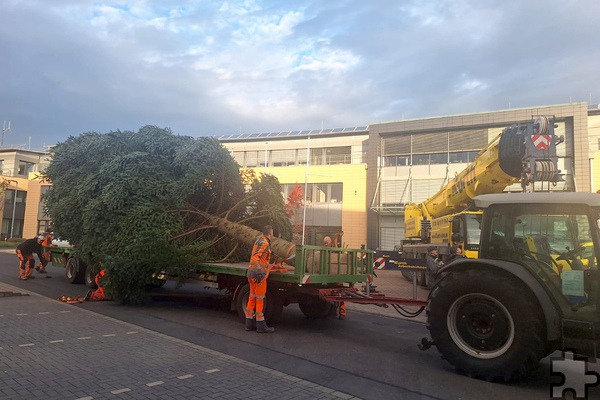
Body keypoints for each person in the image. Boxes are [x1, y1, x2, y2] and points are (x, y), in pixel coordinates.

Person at [245, 225, 275, 333]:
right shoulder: (264, 243)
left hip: (251, 274)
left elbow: (258, 256)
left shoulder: (259, 240)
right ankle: (261, 326)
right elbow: (255, 257)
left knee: (252, 298)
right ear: (270, 233)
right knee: (260, 299)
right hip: (258, 276)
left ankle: (248, 324)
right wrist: (259, 273)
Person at [323, 236, 346, 320]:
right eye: (324, 243)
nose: (325, 244)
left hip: (336, 275)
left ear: (330, 242)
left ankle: (342, 312)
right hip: (329, 276)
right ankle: (333, 312)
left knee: (339, 295)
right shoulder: (324, 250)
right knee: (332, 296)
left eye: (327, 243)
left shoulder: (335, 251)